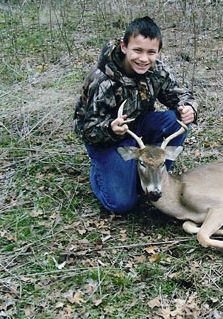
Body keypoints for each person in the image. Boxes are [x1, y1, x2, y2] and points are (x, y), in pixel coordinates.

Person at [74, 16, 198, 214]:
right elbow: (88, 129)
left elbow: (181, 95)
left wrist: (189, 107)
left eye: (151, 52)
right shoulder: (102, 80)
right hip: (107, 140)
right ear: (124, 47)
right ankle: (101, 172)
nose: (143, 59)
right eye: (137, 50)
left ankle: (152, 173)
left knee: (177, 120)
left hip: (138, 128)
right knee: (121, 204)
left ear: (159, 51)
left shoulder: (157, 70)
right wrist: (110, 129)